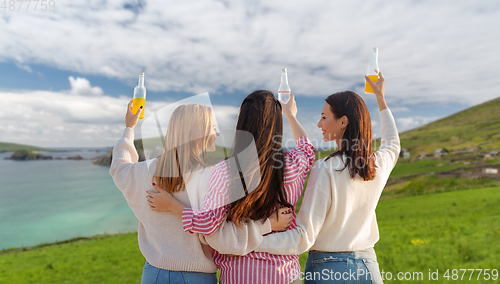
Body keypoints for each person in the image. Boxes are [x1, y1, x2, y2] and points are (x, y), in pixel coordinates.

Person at [147, 90, 316, 284]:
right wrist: (290, 115)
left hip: (238, 275)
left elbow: (207, 225)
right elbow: (307, 150)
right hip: (284, 275)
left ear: (241, 125)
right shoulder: (294, 164)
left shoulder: (226, 171)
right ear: (277, 127)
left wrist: (172, 205)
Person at [110, 102, 289, 284]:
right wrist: (268, 224)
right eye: (213, 127)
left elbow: (119, 167)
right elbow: (222, 237)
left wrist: (129, 128)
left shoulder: (141, 172)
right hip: (195, 277)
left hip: (153, 274)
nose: (217, 133)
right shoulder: (213, 178)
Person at [252, 71, 400, 284]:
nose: (319, 124)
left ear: (343, 122)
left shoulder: (325, 169)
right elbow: (393, 143)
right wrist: (381, 99)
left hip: (328, 270)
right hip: (369, 268)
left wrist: (250, 241)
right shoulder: (377, 164)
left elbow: (303, 237)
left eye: (324, 117)